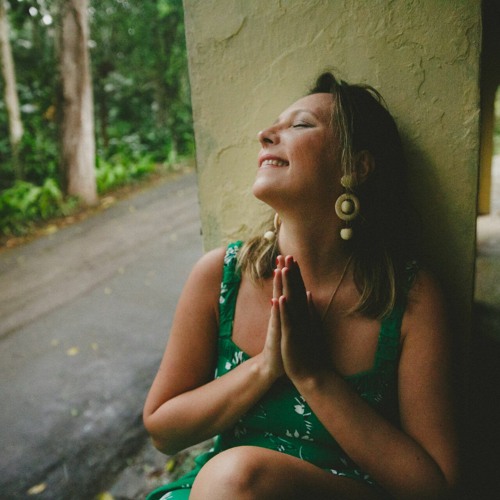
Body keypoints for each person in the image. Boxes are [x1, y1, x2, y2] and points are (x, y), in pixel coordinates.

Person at [143, 72, 460, 499]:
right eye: (275, 123)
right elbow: (163, 430)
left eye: (300, 125)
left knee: (239, 475)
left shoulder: (410, 298)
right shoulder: (220, 277)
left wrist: (313, 376)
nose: (266, 135)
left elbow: (435, 487)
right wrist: (266, 367)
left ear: (356, 166)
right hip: (213, 490)